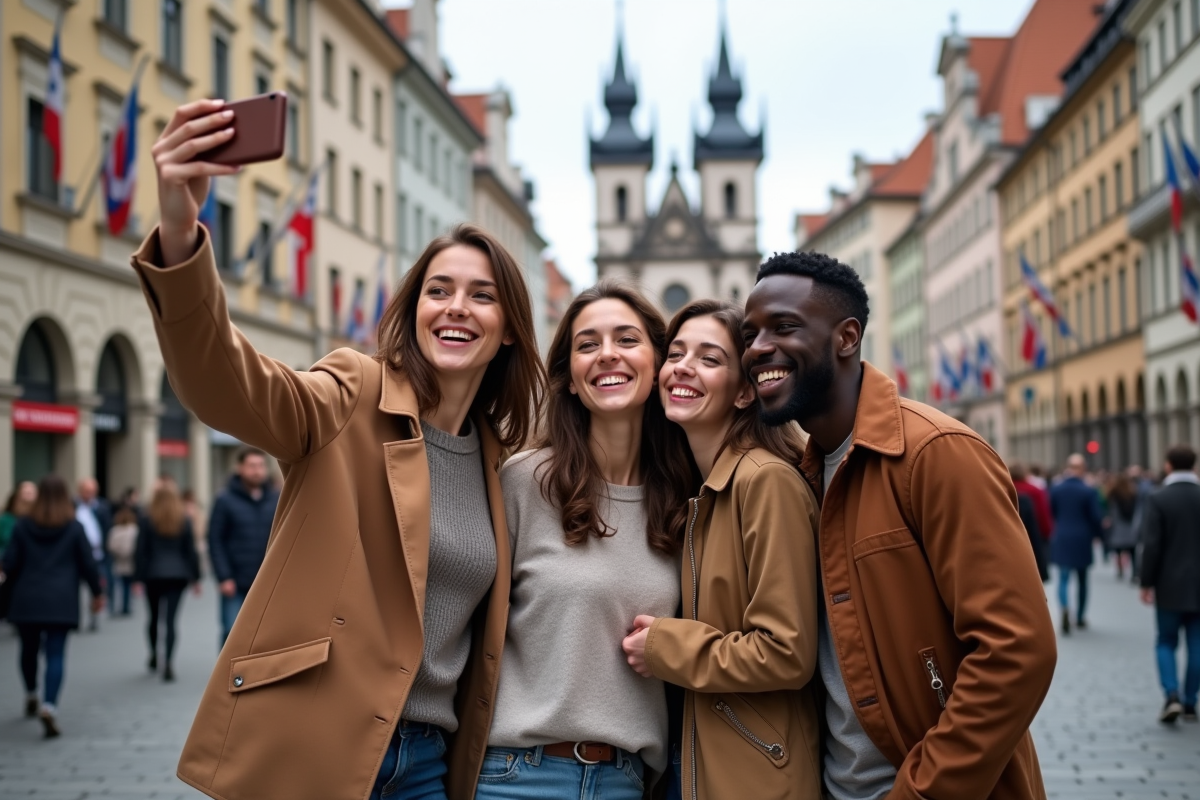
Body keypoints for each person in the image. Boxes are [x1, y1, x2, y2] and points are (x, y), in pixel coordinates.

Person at [133, 97, 545, 800]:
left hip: (425, 762)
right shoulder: (354, 393)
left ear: (507, 327)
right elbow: (225, 386)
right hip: (310, 744)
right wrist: (180, 230)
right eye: (438, 290)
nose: (455, 307)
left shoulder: (499, 457)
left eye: (481, 296)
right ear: (414, 310)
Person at [740, 251, 1056, 800]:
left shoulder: (937, 452)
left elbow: (1017, 651)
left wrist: (923, 791)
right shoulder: (801, 476)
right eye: (750, 333)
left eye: (783, 327)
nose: (758, 348)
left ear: (846, 337)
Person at [475, 281, 689, 799]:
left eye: (627, 339)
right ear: (569, 377)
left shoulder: (686, 495)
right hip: (516, 778)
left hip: (628, 782)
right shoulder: (525, 481)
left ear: (659, 363)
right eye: (587, 344)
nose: (607, 354)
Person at [621, 299, 820, 799]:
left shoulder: (765, 482)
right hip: (696, 765)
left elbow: (787, 653)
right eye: (677, 353)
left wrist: (665, 647)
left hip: (753, 776)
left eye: (710, 359)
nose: (683, 367)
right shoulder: (702, 487)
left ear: (744, 395)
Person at [2, 475, 104, 738]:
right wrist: (97, 593)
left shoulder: (23, 526)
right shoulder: (73, 527)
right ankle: (49, 705)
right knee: (56, 654)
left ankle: (31, 692)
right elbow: (88, 564)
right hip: (61, 599)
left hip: (26, 598)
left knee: (28, 650)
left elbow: (10, 562)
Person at [1139, 444, 1200, 724]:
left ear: (1168, 466)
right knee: (1197, 644)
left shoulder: (1159, 498)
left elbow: (1152, 546)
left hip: (1169, 583)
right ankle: (1190, 701)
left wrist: (1146, 582)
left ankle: (1171, 694)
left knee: (1165, 640)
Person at [206, 448, 278, 645]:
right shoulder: (225, 500)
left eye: (261, 466)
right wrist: (224, 576)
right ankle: (226, 676)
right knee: (231, 633)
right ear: (240, 468)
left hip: (267, 581)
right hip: (234, 581)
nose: (257, 471)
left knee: (265, 636)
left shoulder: (276, 499)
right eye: (252, 466)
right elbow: (215, 540)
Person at [136, 483, 202, 681]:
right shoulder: (184, 520)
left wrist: (137, 579)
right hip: (177, 575)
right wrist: (196, 578)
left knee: (154, 618)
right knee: (171, 621)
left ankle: (155, 655)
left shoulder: (147, 520)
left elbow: (141, 552)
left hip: (153, 574)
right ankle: (169, 663)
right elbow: (190, 552)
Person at [1050, 454, 1105, 634]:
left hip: (1063, 535)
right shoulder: (1088, 490)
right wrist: (1099, 535)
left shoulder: (1057, 489)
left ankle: (1064, 607)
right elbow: (1095, 517)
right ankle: (1080, 617)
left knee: (1063, 578)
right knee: (1082, 580)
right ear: (1083, 469)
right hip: (1082, 537)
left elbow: (1052, 512)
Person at [75, 477, 111, 630]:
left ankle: (94, 617)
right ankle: (79, 618)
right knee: (79, 588)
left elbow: (107, 528)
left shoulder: (101, 507)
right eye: (86, 491)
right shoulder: (73, 507)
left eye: (92, 491)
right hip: (77, 555)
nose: (89, 494)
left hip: (97, 554)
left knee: (97, 584)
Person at [1011, 463, 1049, 582]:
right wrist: (1046, 534)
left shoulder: (1002, 490)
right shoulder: (1035, 491)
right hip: (1032, 537)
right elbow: (1043, 515)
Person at [1106, 472, 1141, 581]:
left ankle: (1120, 568)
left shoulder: (1114, 493)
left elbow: (1110, 508)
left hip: (1118, 524)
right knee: (1132, 550)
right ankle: (1134, 572)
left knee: (1118, 550)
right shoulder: (1132, 493)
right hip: (1129, 525)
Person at [106, 506, 139, 616]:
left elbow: (111, 546)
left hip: (118, 560)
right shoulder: (134, 530)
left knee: (118, 584)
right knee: (128, 584)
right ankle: (126, 605)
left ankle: (116, 605)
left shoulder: (115, 530)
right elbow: (138, 546)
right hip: (130, 560)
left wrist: (120, 552)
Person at [0, 481, 37, 556]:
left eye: (30, 504)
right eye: (24, 503)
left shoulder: (39, 523)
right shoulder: (5, 521)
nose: (27, 507)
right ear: (15, 500)